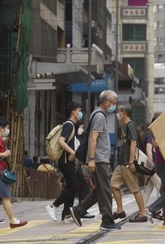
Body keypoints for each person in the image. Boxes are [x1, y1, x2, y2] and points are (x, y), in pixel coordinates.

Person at [69, 90, 119, 231]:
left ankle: (78, 210)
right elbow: (93, 138)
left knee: (99, 191)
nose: (115, 106)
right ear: (106, 102)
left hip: (100, 159)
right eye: (114, 103)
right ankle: (107, 221)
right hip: (98, 160)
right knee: (105, 191)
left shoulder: (99, 115)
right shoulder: (99, 116)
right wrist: (91, 159)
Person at [110, 103, 148, 223]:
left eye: (119, 112)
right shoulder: (124, 126)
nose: (117, 114)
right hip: (121, 164)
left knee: (135, 189)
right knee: (113, 185)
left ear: (124, 113)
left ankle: (142, 214)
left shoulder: (130, 125)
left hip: (127, 163)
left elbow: (133, 143)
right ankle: (120, 210)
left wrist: (131, 162)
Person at [45, 102, 82, 223]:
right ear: (73, 112)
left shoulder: (71, 125)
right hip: (65, 160)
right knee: (74, 187)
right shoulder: (69, 125)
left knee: (71, 187)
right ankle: (53, 206)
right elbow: (61, 141)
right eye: (79, 110)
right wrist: (73, 152)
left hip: (66, 160)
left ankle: (66, 213)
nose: (80, 113)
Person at [142, 121, 162, 211]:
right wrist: (152, 165)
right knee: (160, 187)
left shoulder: (149, 134)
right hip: (150, 166)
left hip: (147, 166)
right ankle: (159, 211)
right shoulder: (151, 134)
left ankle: (141, 211)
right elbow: (148, 149)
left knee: (148, 190)